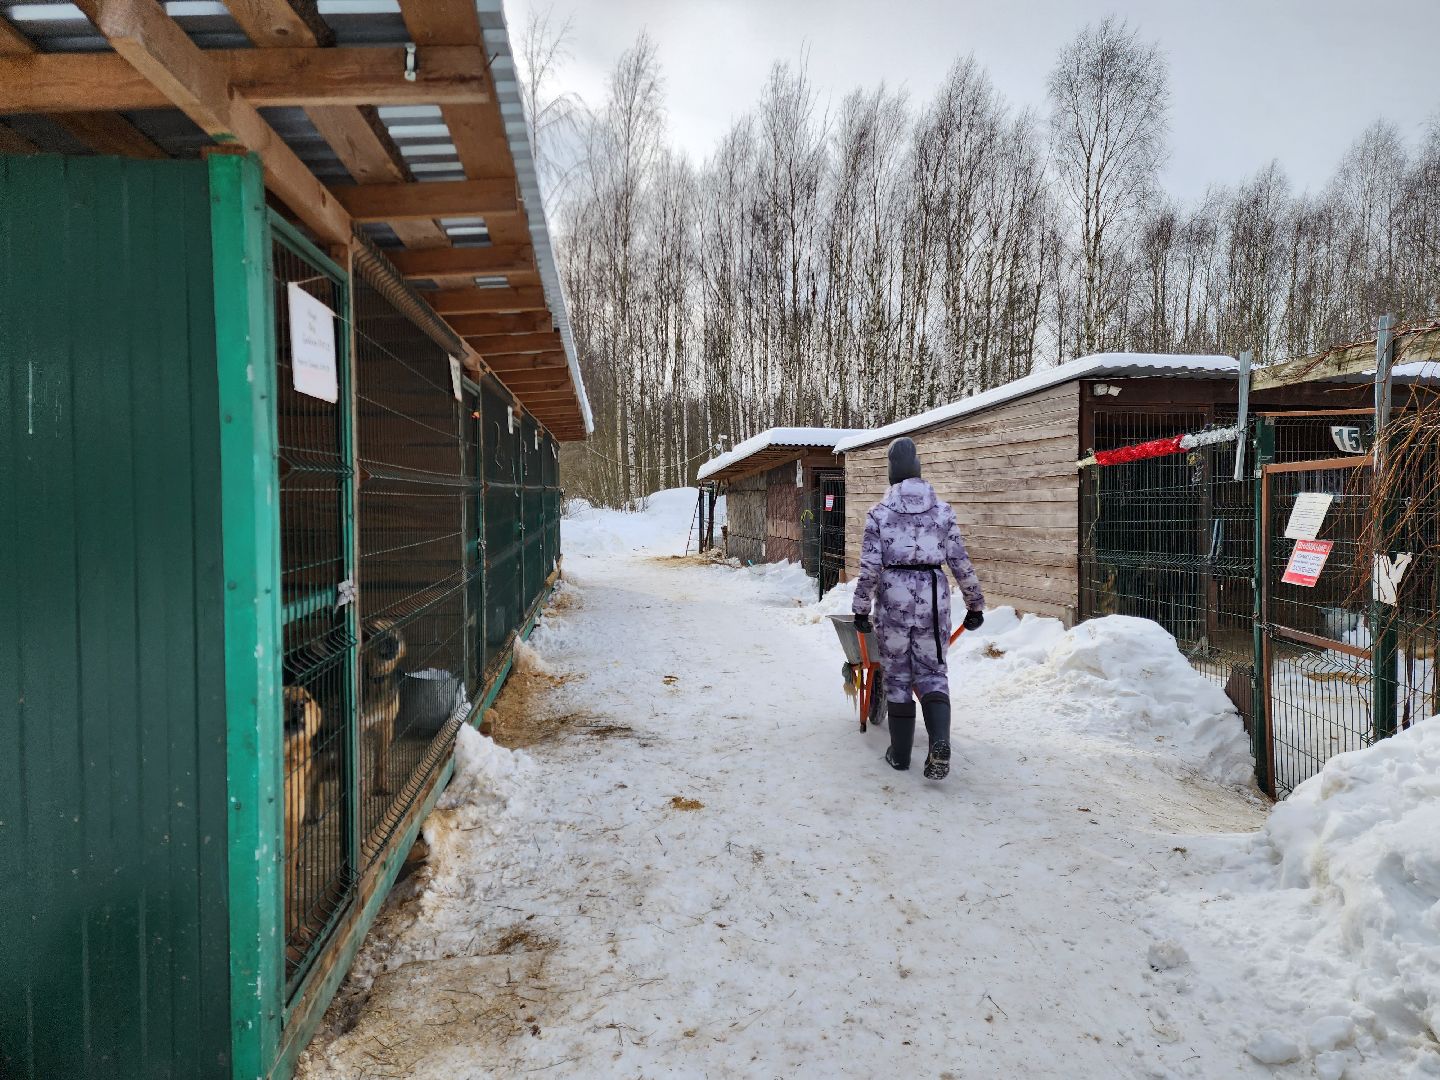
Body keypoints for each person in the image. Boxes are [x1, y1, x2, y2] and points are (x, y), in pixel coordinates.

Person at [851, 437, 985, 780]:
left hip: (893, 596)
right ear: (919, 468)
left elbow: (869, 568)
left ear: (891, 471)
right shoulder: (942, 512)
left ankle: (900, 755)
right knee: (933, 671)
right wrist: (974, 603)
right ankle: (939, 742)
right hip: (933, 594)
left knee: (897, 674)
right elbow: (959, 560)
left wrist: (861, 609)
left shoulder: (879, 514)